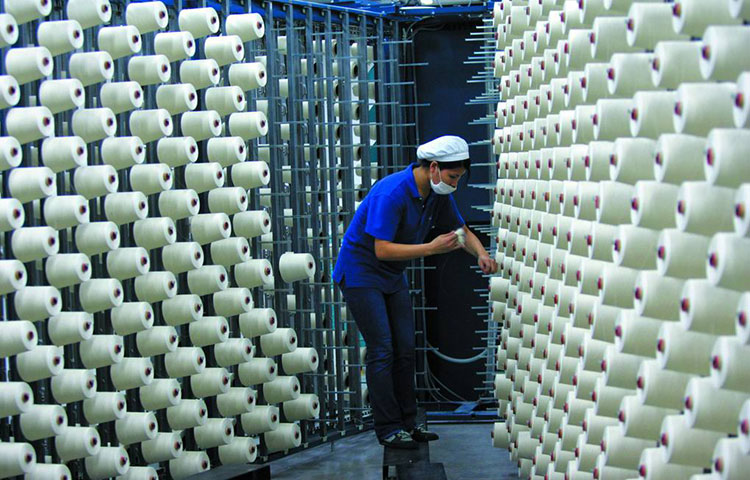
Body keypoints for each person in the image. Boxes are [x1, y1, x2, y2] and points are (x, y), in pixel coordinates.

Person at [332, 135, 499, 449]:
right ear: (434, 168)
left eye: (459, 178)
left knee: (406, 350)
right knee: (383, 350)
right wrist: (431, 248)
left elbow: (461, 231)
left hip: (392, 276)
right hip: (361, 274)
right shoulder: (392, 193)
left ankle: (409, 423)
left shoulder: (437, 193)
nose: (455, 184)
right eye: (453, 177)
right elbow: (382, 249)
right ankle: (389, 428)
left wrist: (481, 254)